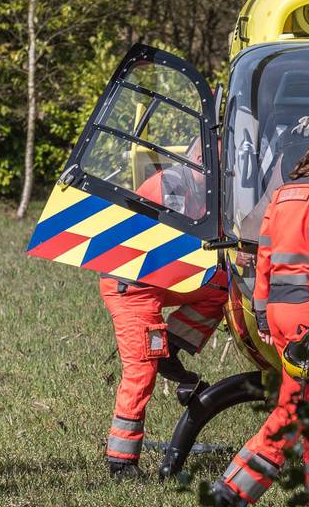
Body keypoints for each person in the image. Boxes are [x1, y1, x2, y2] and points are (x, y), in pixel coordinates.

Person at [213, 127, 309, 507]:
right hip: (307, 312)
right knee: (294, 408)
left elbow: (264, 254)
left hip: (277, 308)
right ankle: (233, 489)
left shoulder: (283, 192)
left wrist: (260, 311)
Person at [98, 153, 229, 479]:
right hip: (131, 286)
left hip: (160, 276)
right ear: (200, 158)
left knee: (220, 288)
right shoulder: (169, 185)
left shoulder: (201, 187)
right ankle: (121, 461)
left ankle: (172, 345)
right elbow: (173, 236)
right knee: (140, 373)